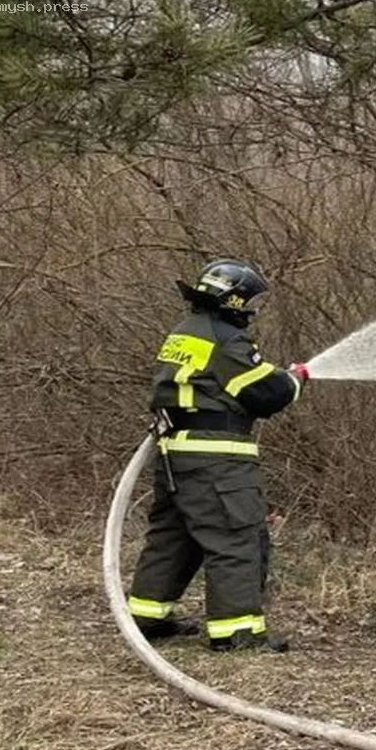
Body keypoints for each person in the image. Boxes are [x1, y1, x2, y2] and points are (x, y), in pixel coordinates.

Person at [126, 258, 310, 653]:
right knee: (236, 538)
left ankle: (145, 616)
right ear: (234, 301)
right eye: (251, 303)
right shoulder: (227, 338)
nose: (254, 311)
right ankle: (237, 633)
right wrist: (295, 379)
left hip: (176, 453)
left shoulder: (186, 332)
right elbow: (265, 394)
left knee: (174, 537)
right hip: (217, 459)